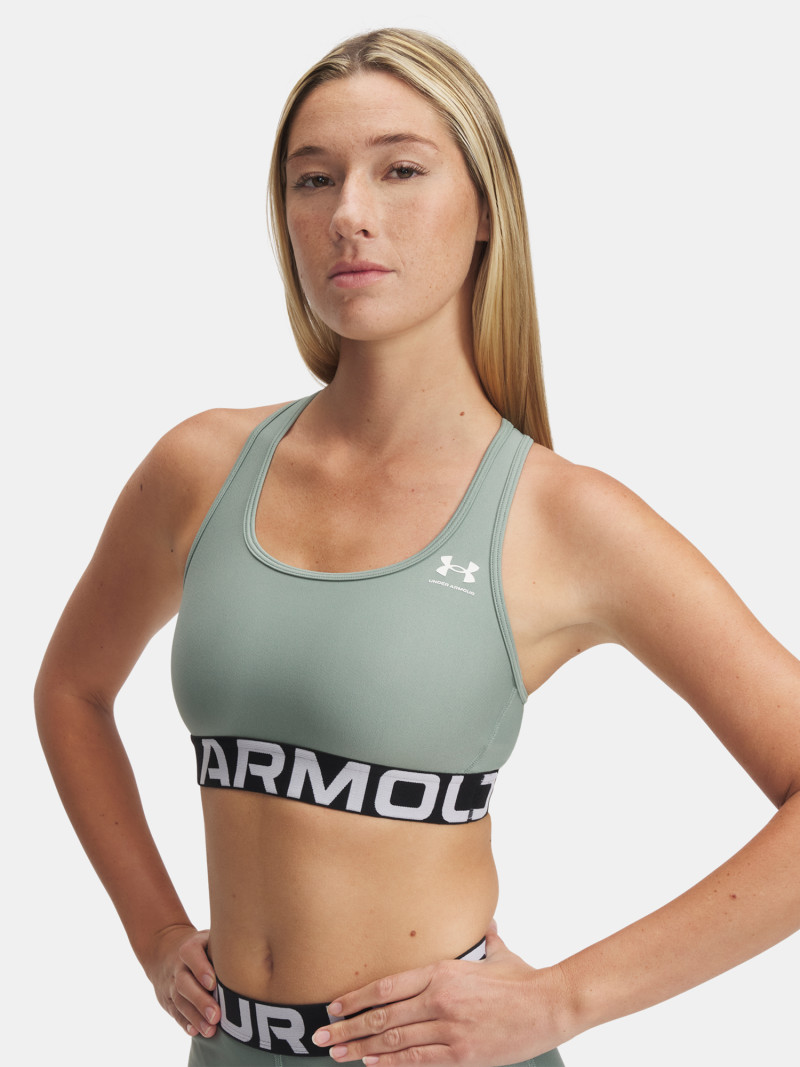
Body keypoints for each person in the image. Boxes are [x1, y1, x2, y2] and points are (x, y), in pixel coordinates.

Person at [35, 27, 800, 1067]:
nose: (349, 213)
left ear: (485, 208)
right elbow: (71, 690)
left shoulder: (560, 516)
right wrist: (152, 928)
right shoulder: (199, 468)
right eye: (313, 179)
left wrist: (566, 999)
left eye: (399, 169)